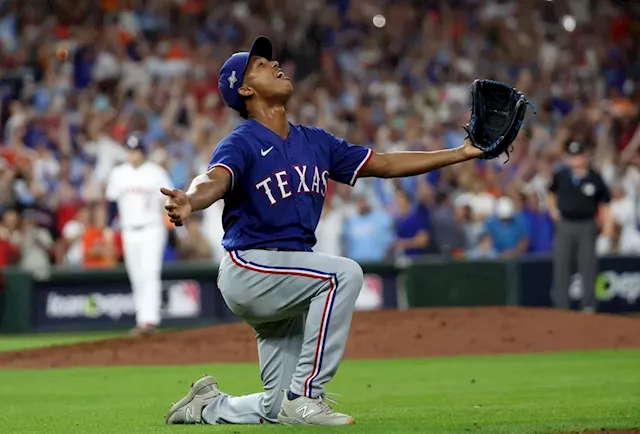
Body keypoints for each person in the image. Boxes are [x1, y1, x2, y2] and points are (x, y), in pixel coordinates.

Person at [162, 36, 484, 427]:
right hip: (251, 267)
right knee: (342, 274)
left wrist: (461, 153)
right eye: (261, 64)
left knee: (274, 407)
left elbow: (382, 163)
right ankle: (307, 394)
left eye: (272, 59)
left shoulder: (315, 141)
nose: (275, 63)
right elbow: (214, 180)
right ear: (245, 89)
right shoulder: (242, 141)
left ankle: (209, 406)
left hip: (290, 274)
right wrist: (190, 201)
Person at [105, 132, 174, 336]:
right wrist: (109, 226)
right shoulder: (118, 173)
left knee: (150, 272)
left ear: (143, 152)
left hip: (152, 228)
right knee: (136, 276)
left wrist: (170, 218)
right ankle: (141, 319)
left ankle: (149, 321)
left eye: (136, 150)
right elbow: (111, 203)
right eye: (130, 150)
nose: (133, 154)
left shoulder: (155, 172)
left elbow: (167, 199)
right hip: (128, 230)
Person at [548, 139, 612, 313]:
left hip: (587, 224)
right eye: (572, 155)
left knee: (588, 266)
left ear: (586, 156)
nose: (575, 159)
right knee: (562, 266)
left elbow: (605, 203)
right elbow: (551, 193)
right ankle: (561, 307)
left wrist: (607, 227)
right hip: (566, 224)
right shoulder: (561, 175)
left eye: (578, 155)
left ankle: (589, 306)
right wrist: (554, 212)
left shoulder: (595, 177)